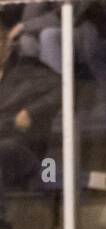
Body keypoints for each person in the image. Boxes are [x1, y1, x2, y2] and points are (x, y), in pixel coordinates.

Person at [0, 29, 60, 210]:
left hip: (28, 147)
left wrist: (30, 112)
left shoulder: (28, 68)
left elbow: (61, 89)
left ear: (7, 45)